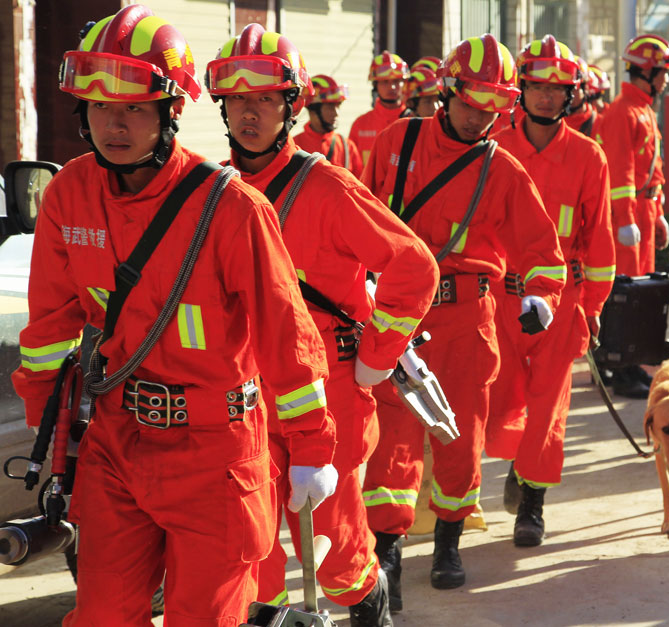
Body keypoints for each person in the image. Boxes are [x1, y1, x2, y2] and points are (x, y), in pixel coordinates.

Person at [12, 5, 337, 624]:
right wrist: (56, 441)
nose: (115, 122)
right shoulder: (67, 195)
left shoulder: (233, 209)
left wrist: (312, 446)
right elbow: (49, 331)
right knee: (103, 615)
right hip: (114, 443)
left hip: (217, 455)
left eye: (134, 106)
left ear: (171, 110)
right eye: (101, 107)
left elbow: (287, 336)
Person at [206, 24, 440, 626]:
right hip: (245, 394)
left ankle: (369, 599)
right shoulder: (212, 194)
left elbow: (413, 265)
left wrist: (379, 354)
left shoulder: (327, 186)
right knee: (247, 533)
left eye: (263, 99)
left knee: (329, 542)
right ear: (221, 106)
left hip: (330, 387)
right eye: (237, 100)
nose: (249, 113)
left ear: (291, 106)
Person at [360, 33, 565, 603]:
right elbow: (359, 215)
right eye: (472, 103)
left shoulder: (501, 169)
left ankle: (449, 540)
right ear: (447, 91)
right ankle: (387, 557)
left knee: (461, 436)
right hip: (399, 314)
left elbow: (541, 247)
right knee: (392, 438)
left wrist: (541, 295)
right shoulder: (396, 140)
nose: (480, 118)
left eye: (494, 108)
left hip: (468, 317)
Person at [485, 35, 615, 547]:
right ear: (520, 89)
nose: (544, 97)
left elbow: (600, 237)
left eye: (555, 88)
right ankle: (519, 464)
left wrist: (595, 306)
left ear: (571, 95)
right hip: (500, 299)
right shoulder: (494, 147)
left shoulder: (589, 158)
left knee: (548, 405)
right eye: (536, 86)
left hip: (562, 304)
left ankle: (532, 506)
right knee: (501, 401)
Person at [593, 34, 669, 399]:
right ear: (648, 72)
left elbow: (651, 171)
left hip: (642, 213)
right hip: (624, 217)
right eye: (664, 73)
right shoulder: (623, 113)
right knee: (622, 293)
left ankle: (625, 363)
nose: (668, 80)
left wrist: (656, 214)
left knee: (636, 291)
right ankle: (618, 366)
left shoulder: (642, 109)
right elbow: (621, 173)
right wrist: (626, 219)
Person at [294, 74, 364, 177]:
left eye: (338, 106)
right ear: (313, 109)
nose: (336, 113)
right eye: (330, 106)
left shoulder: (347, 146)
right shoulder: (295, 146)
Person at [350, 51, 409, 166]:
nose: (391, 87)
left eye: (396, 81)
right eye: (385, 82)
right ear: (375, 85)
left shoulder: (413, 120)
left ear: (404, 83)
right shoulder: (360, 125)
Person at [563, 57, 599, 137]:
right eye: (562, 89)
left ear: (585, 89)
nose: (567, 95)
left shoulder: (600, 124)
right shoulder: (551, 126)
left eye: (572, 89)